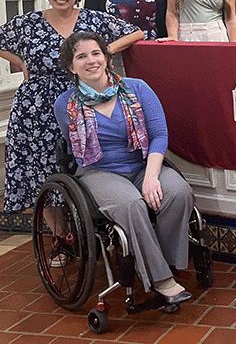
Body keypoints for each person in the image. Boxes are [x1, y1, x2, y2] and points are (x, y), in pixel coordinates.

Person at [53, 32, 193, 305]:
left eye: (96, 53)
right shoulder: (65, 104)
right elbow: (73, 147)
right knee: (131, 204)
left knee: (178, 191)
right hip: (99, 172)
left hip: (142, 165)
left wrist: (151, 177)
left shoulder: (137, 88)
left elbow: (159, 135)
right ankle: (162, 280)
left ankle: (162, 261)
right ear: (71, 67)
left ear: (107, 58)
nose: (91, 61)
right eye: (81, 56)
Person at [0, 0, 143, 214]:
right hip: (36, 109)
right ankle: (59, 237)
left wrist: (105, 51)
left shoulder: (92, 19)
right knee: (42, 169)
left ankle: (89, 224)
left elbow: (135, 32)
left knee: (80, 162)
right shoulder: (28, 22)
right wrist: (20, 61)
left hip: (83, 101)